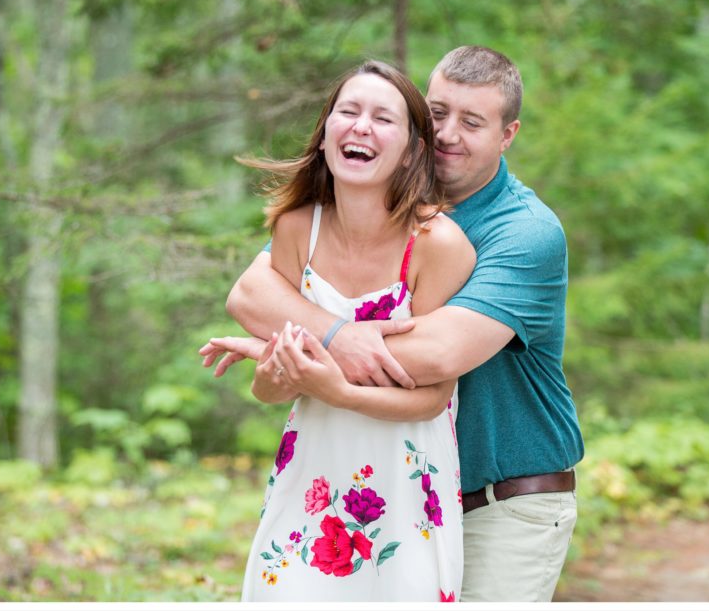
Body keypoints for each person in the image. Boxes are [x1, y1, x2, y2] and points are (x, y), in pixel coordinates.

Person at [202, 46, 584, 602]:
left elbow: (434, 356)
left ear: (508, 135)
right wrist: (333, 335)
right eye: (438, 113)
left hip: (502, 501)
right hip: (384, 489)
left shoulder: (524, 233)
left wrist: (295, 351)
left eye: (472, 122)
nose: (449, 134)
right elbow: (254, 291)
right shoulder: (375, 199)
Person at [208, 60, 476, 601]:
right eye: (348, 112)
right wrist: (276, 361)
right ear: (326, 133)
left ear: (412, 149)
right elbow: (268, 390)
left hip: (403, 490)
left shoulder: (437, 245)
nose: (360, 127)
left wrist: (334, 387)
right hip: (310, 480)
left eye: (383, 119)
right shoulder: (293, 228)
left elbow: (433, 399)